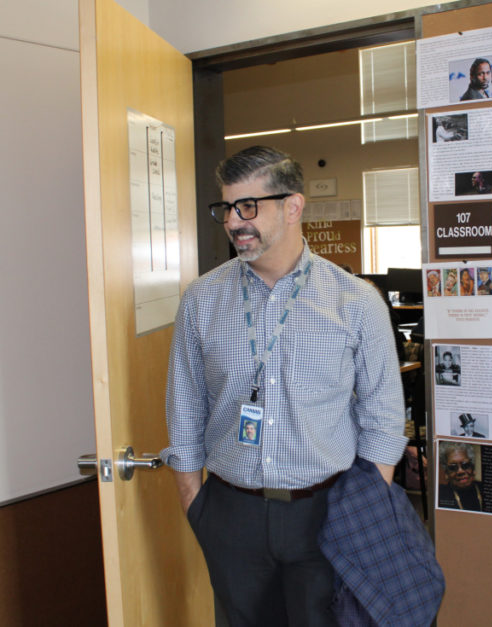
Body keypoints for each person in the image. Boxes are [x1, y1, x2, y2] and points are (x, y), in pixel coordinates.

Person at [163, 145, 407, 627]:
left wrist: (361, 513)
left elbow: (383, 418)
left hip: (328, 512)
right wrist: (198, 508)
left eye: (248, 206)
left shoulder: (355, 301)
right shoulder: (202, 300)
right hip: (231, 512)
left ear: (293, 207)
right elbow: (185, 409)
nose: (234, 222)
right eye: (227, 209)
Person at [438, 442, 483, 511]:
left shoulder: (486, 490)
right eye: (453, 467)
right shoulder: (440, 495)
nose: (460, 471)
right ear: (446, 471)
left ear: (472, 467)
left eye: (465, 465)